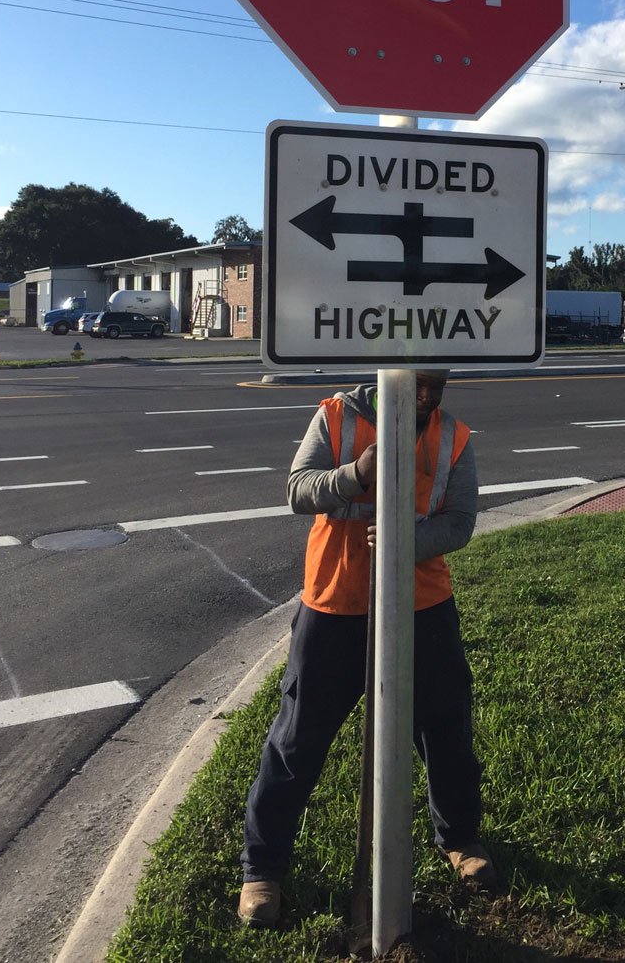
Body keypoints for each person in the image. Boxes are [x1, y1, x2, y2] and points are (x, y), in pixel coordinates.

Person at [238, 368, 496, 928]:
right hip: (336, 601)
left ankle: (460, 839)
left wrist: (408, 540)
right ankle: (263, 869)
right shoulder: (336, 417)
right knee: (298, 738)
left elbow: (460, 522)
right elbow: (297, 491)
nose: (426, 395)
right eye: (418, 383)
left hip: (422, 603)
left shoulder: (453, 436)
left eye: (437, 385)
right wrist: (356, 474)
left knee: (446, 727)